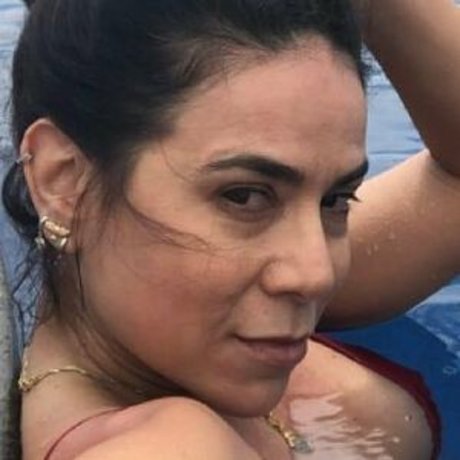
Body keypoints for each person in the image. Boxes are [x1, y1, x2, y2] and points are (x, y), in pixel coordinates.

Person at [2, 0, 460, 459]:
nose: (317, 273)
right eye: (243, 196)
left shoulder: (172, 313)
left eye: (336, 200)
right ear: (64, 183)